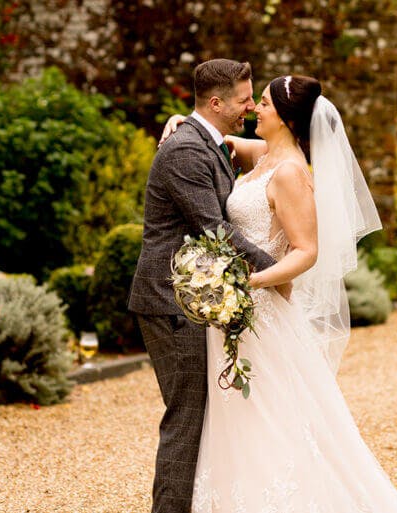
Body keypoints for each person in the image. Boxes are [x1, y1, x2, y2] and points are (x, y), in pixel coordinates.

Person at [161, 75, 397, 513]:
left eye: (265, 104)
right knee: (237, 414)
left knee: (269, 416)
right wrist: (183, 121)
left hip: (258, 309)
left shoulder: (292, 173)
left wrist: (250, 282)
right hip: (233, 311)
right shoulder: (266, 154)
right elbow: (224, 142)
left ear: (288, 119)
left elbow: (307, 252)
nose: (256, 108)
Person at [127, 59, 283, 513]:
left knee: (202, 414)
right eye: (243, 100)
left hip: (193, 299)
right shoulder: (185, 152)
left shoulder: (207, 140)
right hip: (171, 302)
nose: (251, 107)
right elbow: (214, 228)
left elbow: (280, 150)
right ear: (216, 103)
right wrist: (279, 270)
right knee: (187, 417)